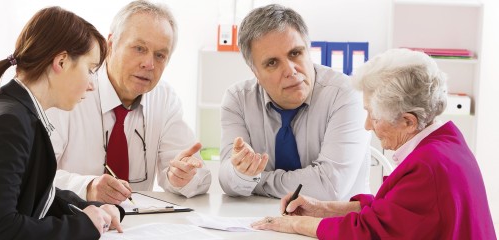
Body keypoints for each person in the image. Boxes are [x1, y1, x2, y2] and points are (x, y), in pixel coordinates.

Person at [251, 48, 497, 239]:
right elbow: (392, 211)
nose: (368, 125)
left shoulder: (429, 166)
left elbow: (370, 232)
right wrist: (321, 208)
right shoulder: (445, 141)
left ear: (408, 121)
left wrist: (293, 224)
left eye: (374, 116)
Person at [0, 7, 126, 239]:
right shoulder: (8, 123)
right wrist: (82, 227)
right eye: (90, 70)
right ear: (61, 62)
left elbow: (33, 194)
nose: (92, 85)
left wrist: (89, 209)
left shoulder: (10, 109)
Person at [47, 0, 211, 204]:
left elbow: (199, 177)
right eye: (139, 48)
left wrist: (182, 178)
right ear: (111, 45)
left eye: (160, 55)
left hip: (135, 226)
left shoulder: (164, 99)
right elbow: (35, 177)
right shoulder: (71, 89)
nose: (149, 64)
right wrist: (87, 187)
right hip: (74, 219)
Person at [218, 4, 370, 200]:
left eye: (295, 53)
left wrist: (254, 179)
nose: (290, 70)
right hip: (261, 220)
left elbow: (328, 188)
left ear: (308, 50)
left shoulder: (346, 94)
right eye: (272, 63)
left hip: (338, 224)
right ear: (255, 72)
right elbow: (226, 178)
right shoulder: (238, 99)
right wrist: (238, 172)